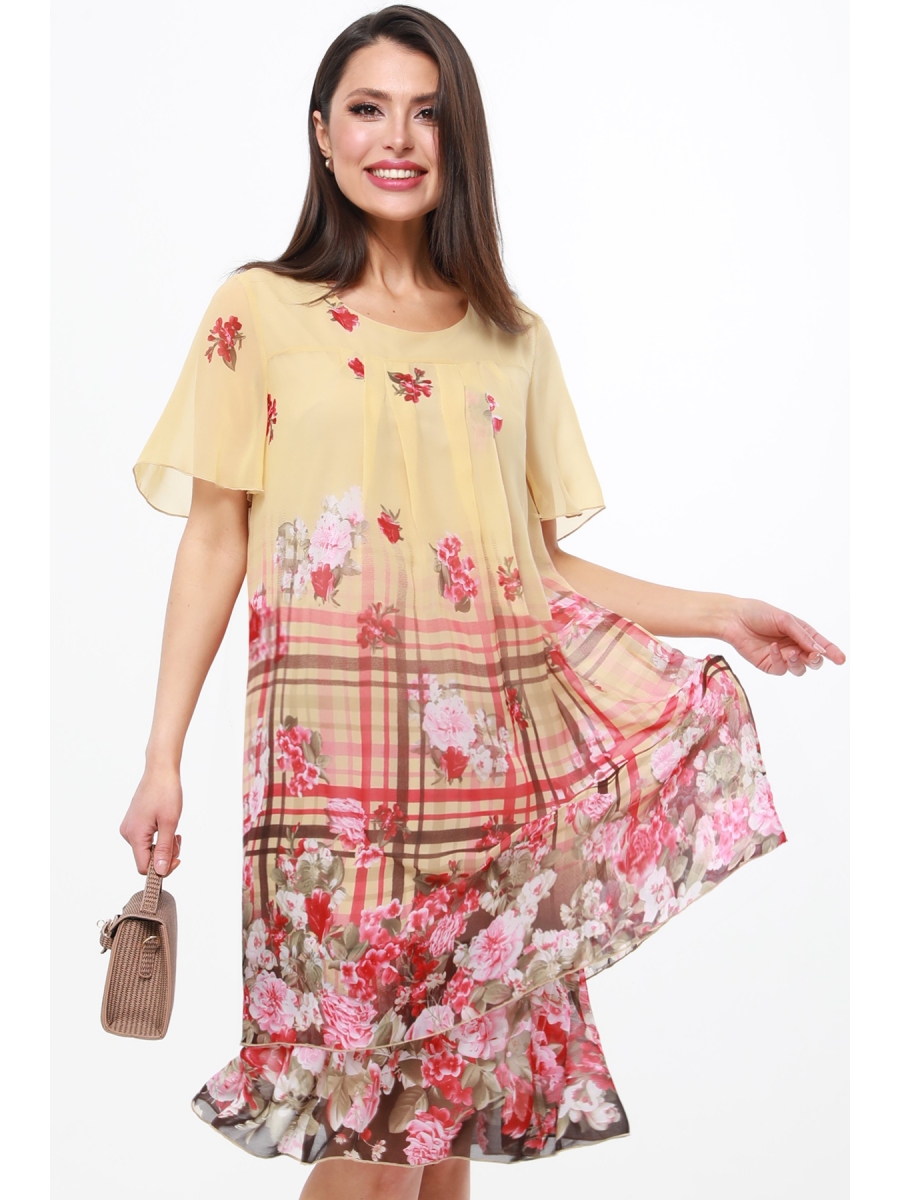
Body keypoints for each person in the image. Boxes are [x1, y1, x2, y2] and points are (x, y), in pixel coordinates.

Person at [121, 6, 845, 1198]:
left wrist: (718, 611)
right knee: (366, 1135)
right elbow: (214, 540)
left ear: (460, 139)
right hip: (328, 793)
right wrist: (162, 758)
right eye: (368, 108)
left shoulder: (512, 340)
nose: (397, 138)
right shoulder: (260, 312)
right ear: (322, 133)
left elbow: (535, 574)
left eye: (428, 112)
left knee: (443, 1138)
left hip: (487, 785)